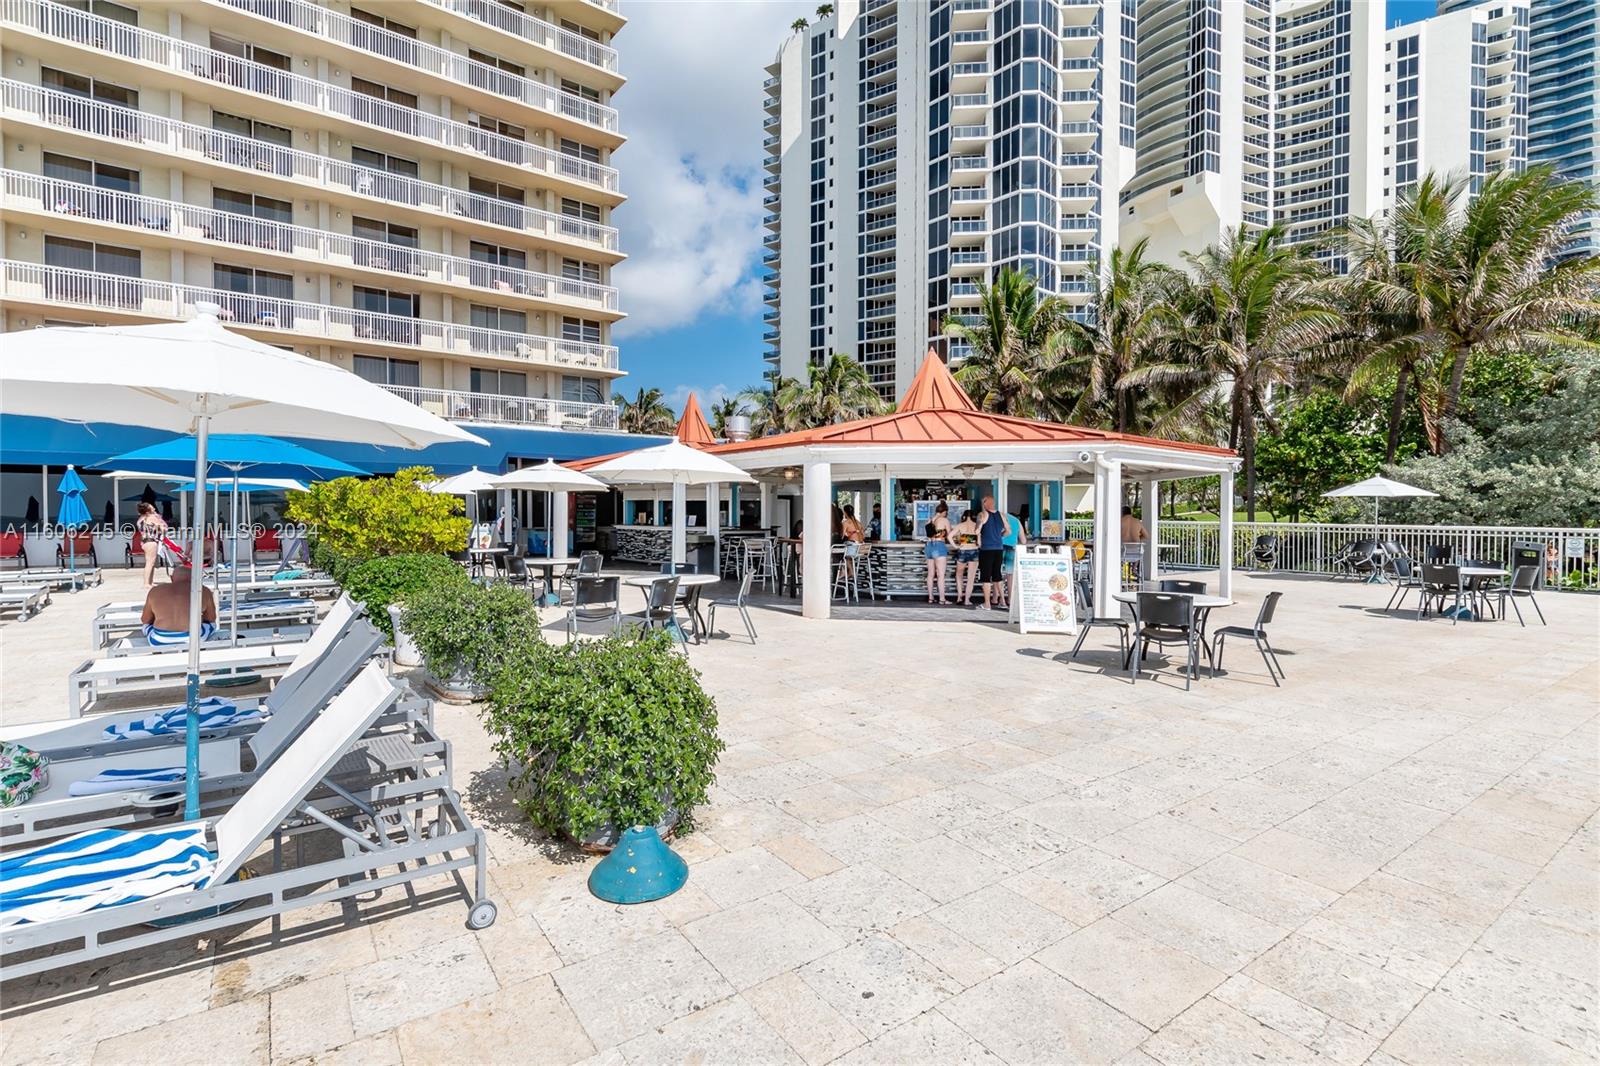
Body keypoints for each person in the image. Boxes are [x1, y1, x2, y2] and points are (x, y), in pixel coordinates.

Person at [140, 565, 218, 645]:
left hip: (160, 639)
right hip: (194, 639)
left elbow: (145, 619)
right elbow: (211, 618)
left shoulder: (155, 591)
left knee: (146, 626)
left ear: (171, 578)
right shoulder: (203, 590)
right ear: (193, 578)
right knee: (212, 625)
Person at [975, 495, 1006, 610]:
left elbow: (977, 531)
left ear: (984, 503)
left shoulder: (982, 514)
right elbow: (1008, 530)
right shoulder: (1001, 515)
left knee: (986, 577)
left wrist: (979, 532)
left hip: (986, 549)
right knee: (998, 575)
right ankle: (1003, 602)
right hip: (999, 548)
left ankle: (987, 604)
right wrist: (999, 537)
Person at [952, 506, 981, 606]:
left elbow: (949, 536)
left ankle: (959, 597)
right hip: (974, 551)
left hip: (963, 551)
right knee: (970, 578)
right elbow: (979, 543)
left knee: (959, 575)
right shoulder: (977, 526)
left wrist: (956, 546)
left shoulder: (960, 525)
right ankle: (967, 600)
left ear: (964, 517)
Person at [134, 501, 168, 589]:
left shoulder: (140, 519)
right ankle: (146, 583)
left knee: (150, 562)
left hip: (144, 542)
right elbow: (163, 529)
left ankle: (150, 582)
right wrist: (160, 525)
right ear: (147, 511)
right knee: (150, 563)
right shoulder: (152, 517)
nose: (154, 509)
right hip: (151, 541)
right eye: (152, 508)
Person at [924, 501, 951, 604]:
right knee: (941, 575)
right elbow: (949, 535)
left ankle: (931, 598)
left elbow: (929, 535)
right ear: (944, 512)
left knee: (930, 574)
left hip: (929, 547)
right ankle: (942, 599)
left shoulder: (929, 520)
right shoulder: (944, 520)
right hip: (939, 546)